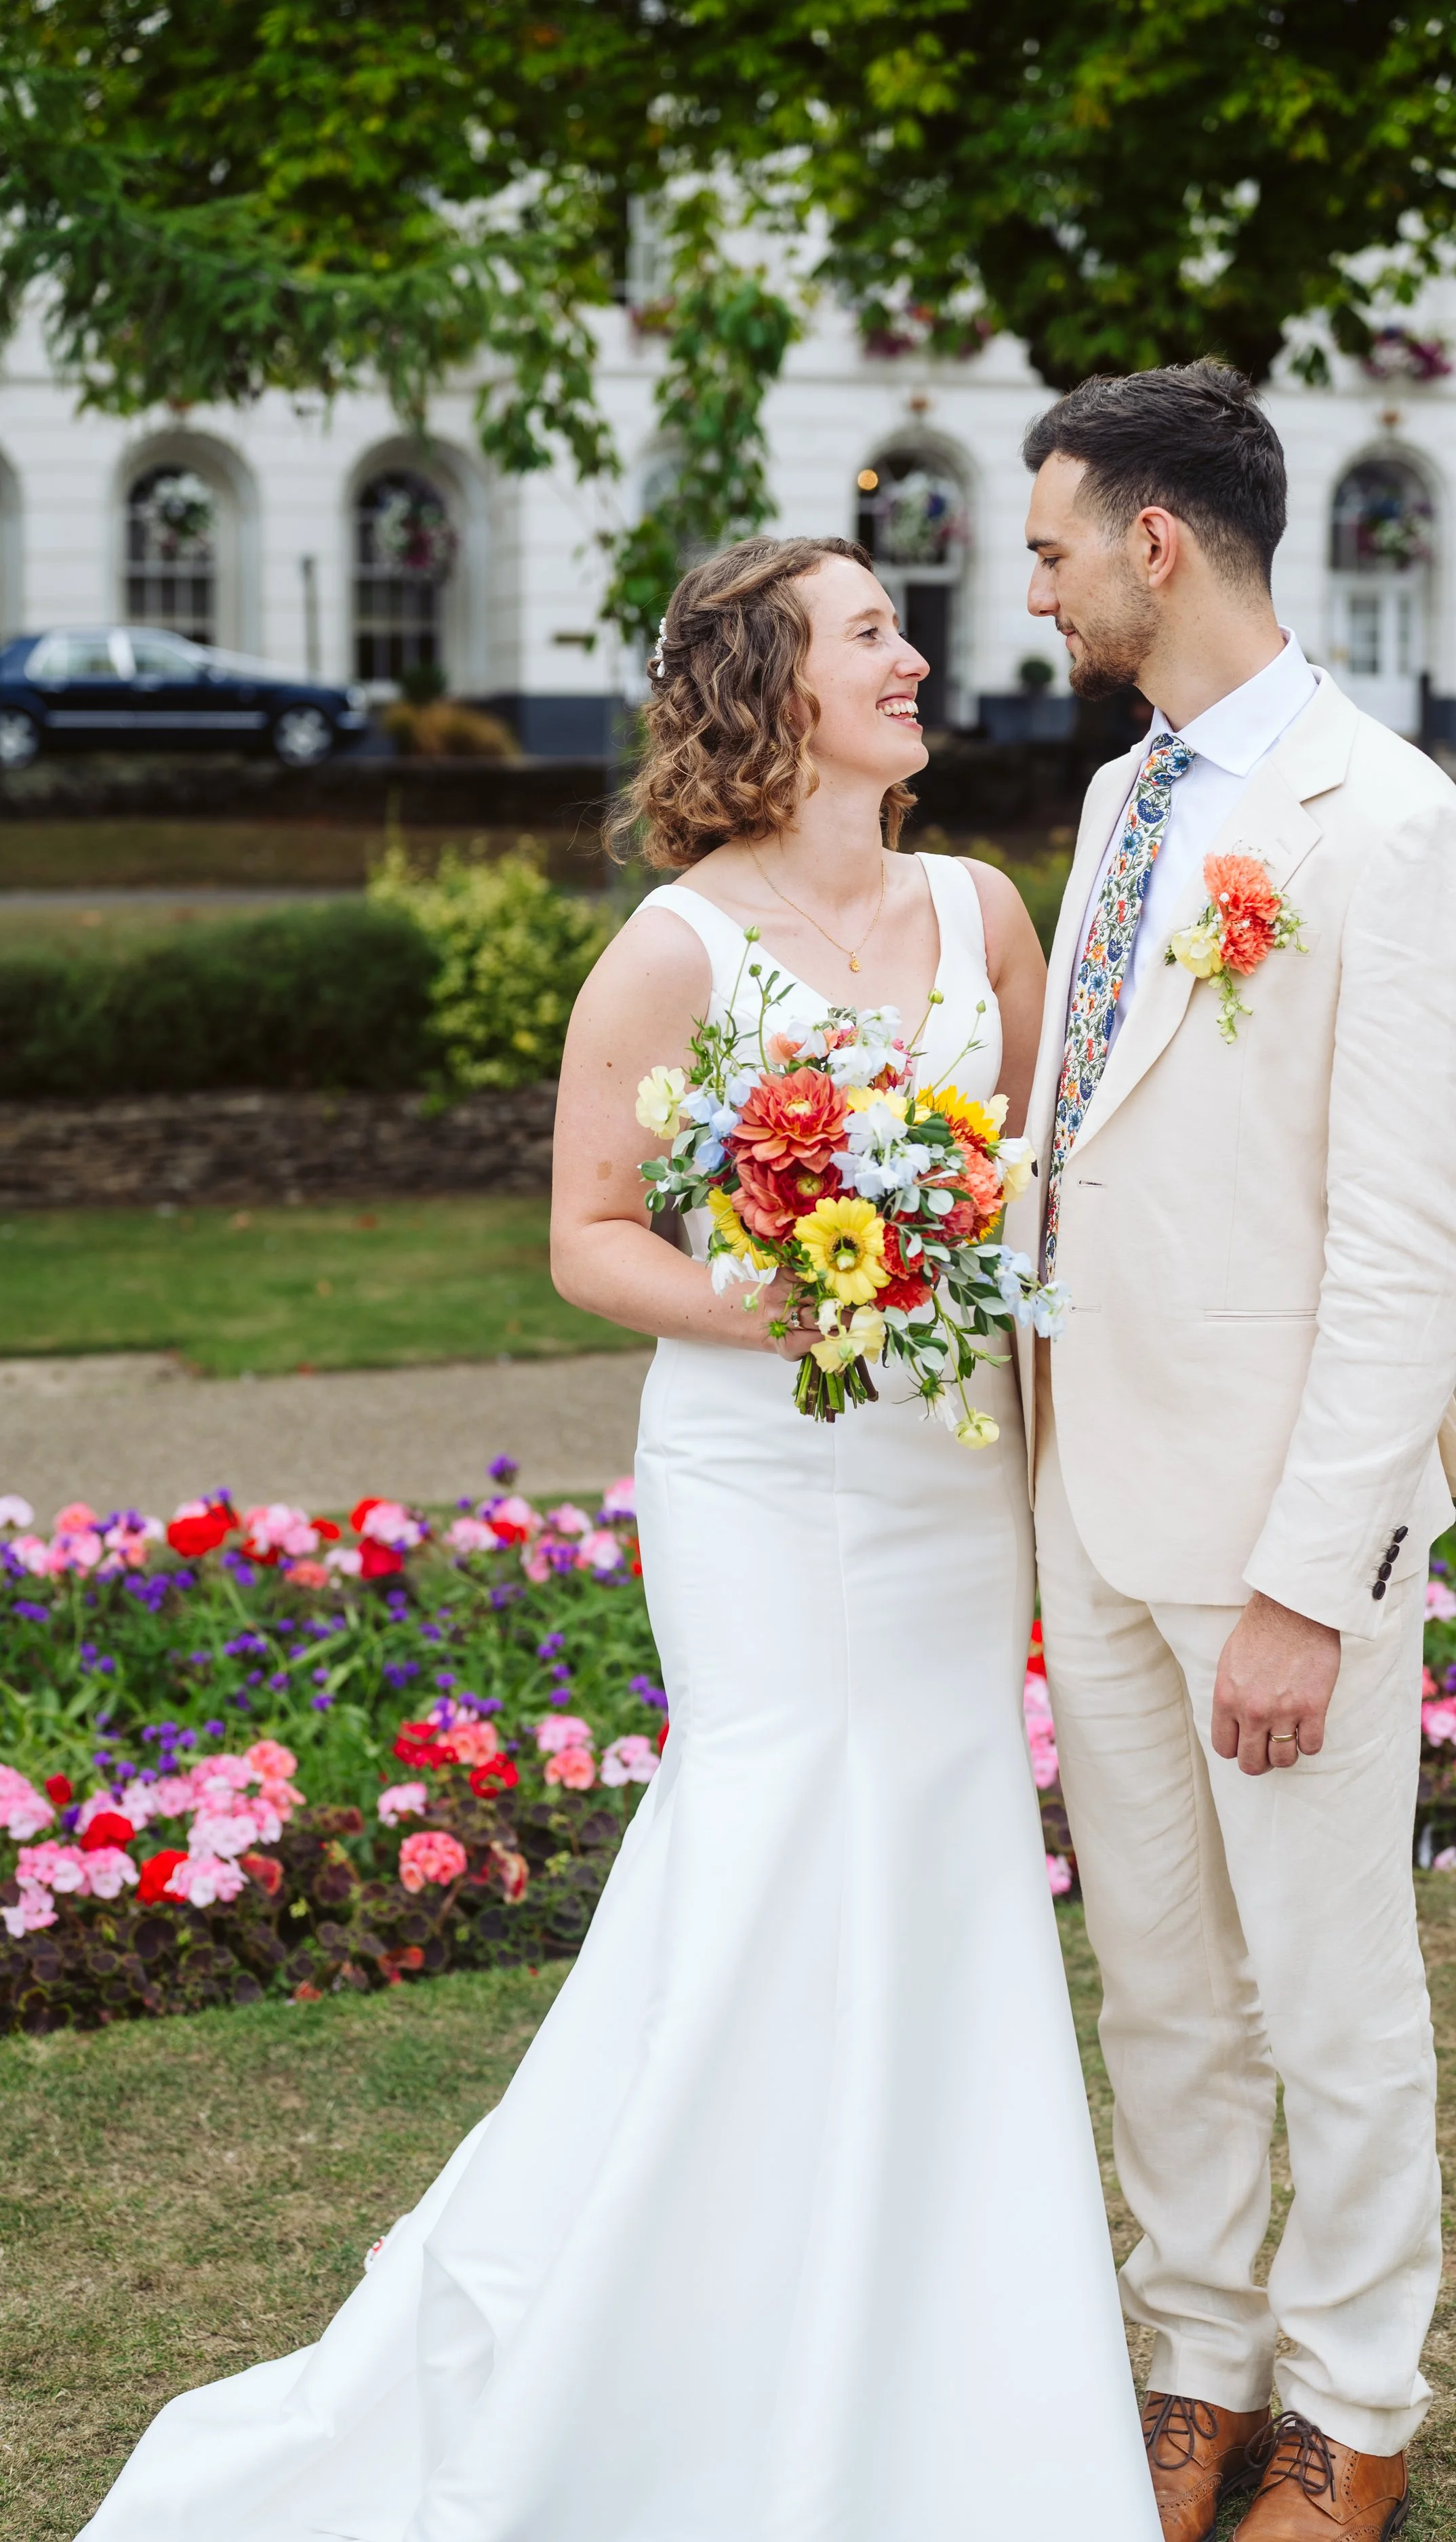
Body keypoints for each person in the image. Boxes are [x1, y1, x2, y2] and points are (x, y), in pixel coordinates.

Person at [78, 536, 1159, 2542]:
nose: (912, 658)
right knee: (765, 1848)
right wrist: (792, 1292)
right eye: (867, 635)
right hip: (760, 1473)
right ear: (775, 687)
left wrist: (970, 1283)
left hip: (939, 1471)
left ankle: (945, 2346)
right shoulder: (673, 947)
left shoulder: (979, 911)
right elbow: (586, 1237)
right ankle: (651, 2324)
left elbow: (1033, 1185)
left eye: (898, 629)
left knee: (933, 1843)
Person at [1013, 365, 1456, 2542]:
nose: (1021, 588)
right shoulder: (1124, 803)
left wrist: (1315, 1574)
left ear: (1152, 544)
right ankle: (1194, 2354)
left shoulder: (1388, 822)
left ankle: (1350, 2402)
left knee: (1326, 1991)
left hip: (1277, 1526)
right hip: (1088, 1488)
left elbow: (1408, 1245)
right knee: (1159, 1977)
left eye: (1044, 547)